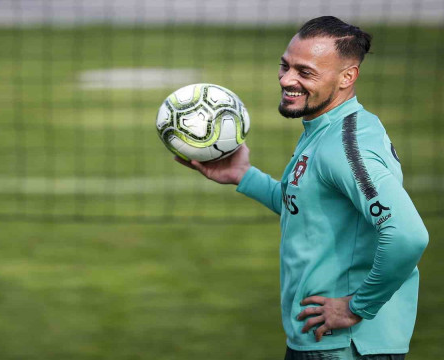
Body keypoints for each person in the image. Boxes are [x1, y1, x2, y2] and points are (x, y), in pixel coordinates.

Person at [177, 16, 428, 359]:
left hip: (346, 344)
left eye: (304, 72)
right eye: (285, 65)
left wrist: (358, 306)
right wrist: (243, 175)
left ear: (347, 77)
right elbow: (309, 207)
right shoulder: (329, 129)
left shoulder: (345, 146)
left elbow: (407, 235)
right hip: (320, 338)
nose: (286, 79)